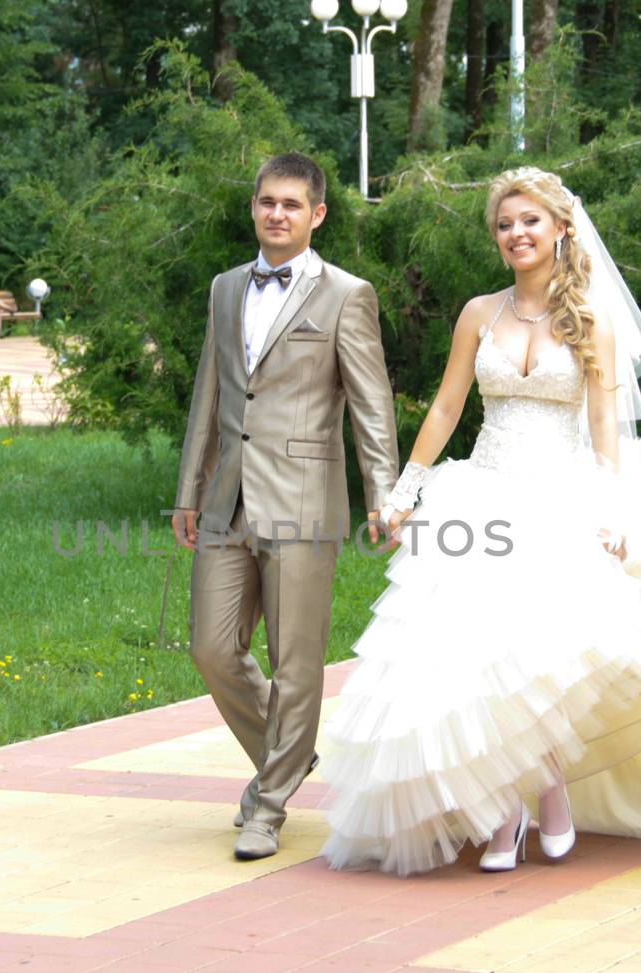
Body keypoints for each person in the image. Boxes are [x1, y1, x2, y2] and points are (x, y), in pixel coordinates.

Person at [320, 167, 641, 876]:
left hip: (561, 498)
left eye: (529, 221)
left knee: (543, 658)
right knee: (478, 656)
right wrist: (406, 490)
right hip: (483, 495)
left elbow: (603, 426)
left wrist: (610, 509)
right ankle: (501, 814)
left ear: (562, 228)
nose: (515, 234)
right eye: (504, 224)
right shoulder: (479, 313)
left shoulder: (592, 318)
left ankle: (549, 788)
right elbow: (445, 408)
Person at [171, 152, 400, 862]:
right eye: (267, 202)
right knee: (212, 647)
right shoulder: (225, 287)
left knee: (295, 660)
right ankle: (289, 752)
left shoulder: (346, 295)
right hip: (227, 499)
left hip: (304, 499)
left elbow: (371, 402)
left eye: (292, 205)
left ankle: (268, 805)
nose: (277, 214)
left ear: (317, 214)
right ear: (254, 207)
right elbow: (211, 389)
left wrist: (383, 490)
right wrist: (189, 486)